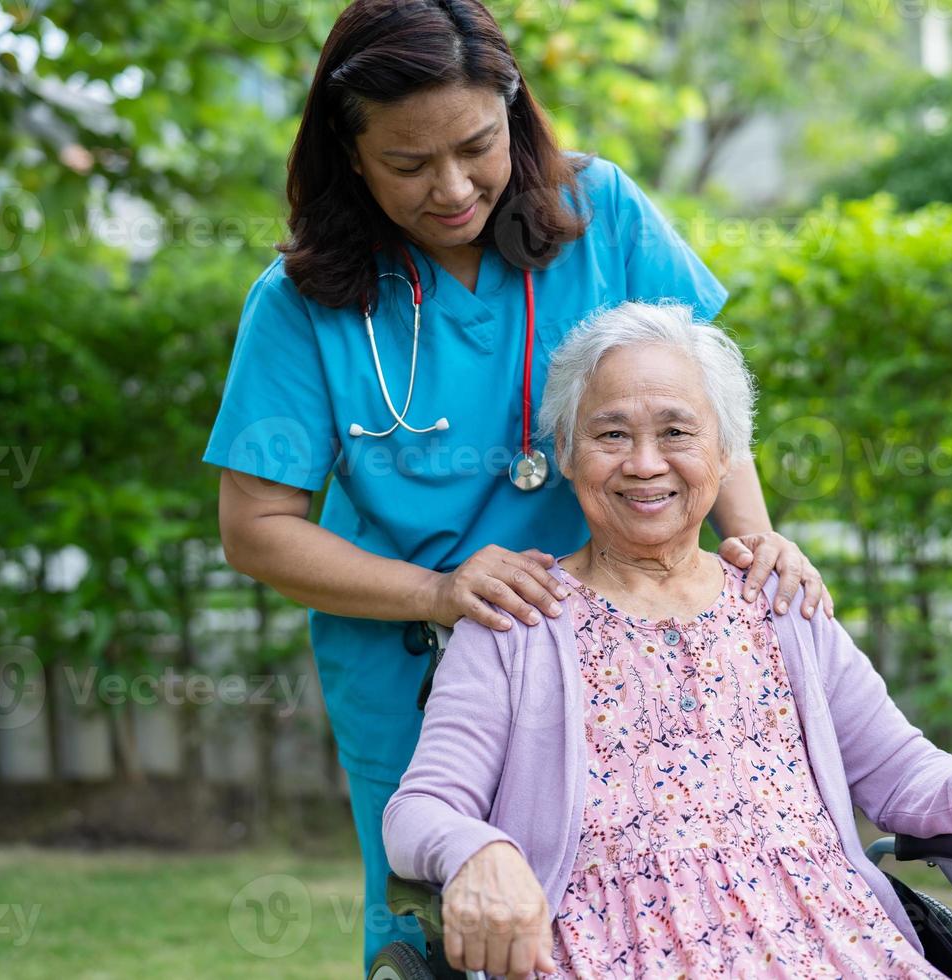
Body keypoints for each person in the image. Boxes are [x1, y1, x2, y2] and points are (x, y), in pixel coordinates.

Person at [201, 1, 832, 968]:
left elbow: (696, 400)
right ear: (350, 153)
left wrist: (754, 545)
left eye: (476, 146)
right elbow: (257, 528)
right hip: (412, 665)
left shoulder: (605, 213)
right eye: (408, 165)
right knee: (447, 921)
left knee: (662, 905)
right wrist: (441, 592)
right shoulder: (300, 301)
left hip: (615, 651)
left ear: (516, 114)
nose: (453, 188)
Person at [384, 302, 952, 980]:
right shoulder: (518, 621)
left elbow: (902, 771)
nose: (645, 463)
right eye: (610, 435)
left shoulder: (780, 600)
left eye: (677, 433)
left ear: (725, 455)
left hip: (836, 945)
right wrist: (478, 850)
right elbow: (422, 808)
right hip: (609, 954)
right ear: (566, 454)